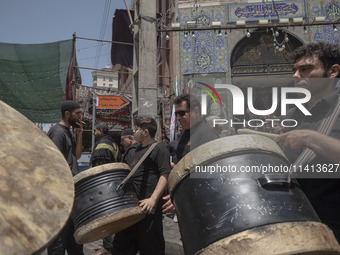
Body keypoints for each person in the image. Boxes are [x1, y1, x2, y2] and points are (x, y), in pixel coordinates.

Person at [276, 42, 340, 242]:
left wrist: (308, 138)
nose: (296, 76)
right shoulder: (296, 112)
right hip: (297, 223)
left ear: (332, 72)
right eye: (295, 70)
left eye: (306, 69)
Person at [111, 117, 171, 255]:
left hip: (148, 211)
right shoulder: (132, 150)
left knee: (151, 249)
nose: (133, 131)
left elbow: (165, 174)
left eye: (136, 129)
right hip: (130, 210)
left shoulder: (159, 149)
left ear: (145, 132)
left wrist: (153, 199)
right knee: (120, 249)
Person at [162, 94, 219, 213]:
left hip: (203, 205)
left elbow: (209, 176)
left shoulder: (206, 135)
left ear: (196, 111)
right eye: (176, 114)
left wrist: (183, 198)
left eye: (182, 113)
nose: (178, 117)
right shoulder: (185, 133)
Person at [47, 100, 84, 255]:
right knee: (58, 241)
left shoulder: (69, 131)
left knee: (74, 239)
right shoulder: (58, 132)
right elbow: (53, 162)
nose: (80, 116)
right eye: (78, 113)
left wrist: (80, 134)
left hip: (70, 192)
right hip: (60, 194)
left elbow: (77, 155)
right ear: (67, 114)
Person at [89, 123, 120, 255]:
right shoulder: (113, 143)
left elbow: (99, 168)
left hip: (103, 186)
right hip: (112, 183)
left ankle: (108, 246)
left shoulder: (102, 145)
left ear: (100, 131)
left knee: (104, 215)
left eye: (94, 130)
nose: (93, 132)